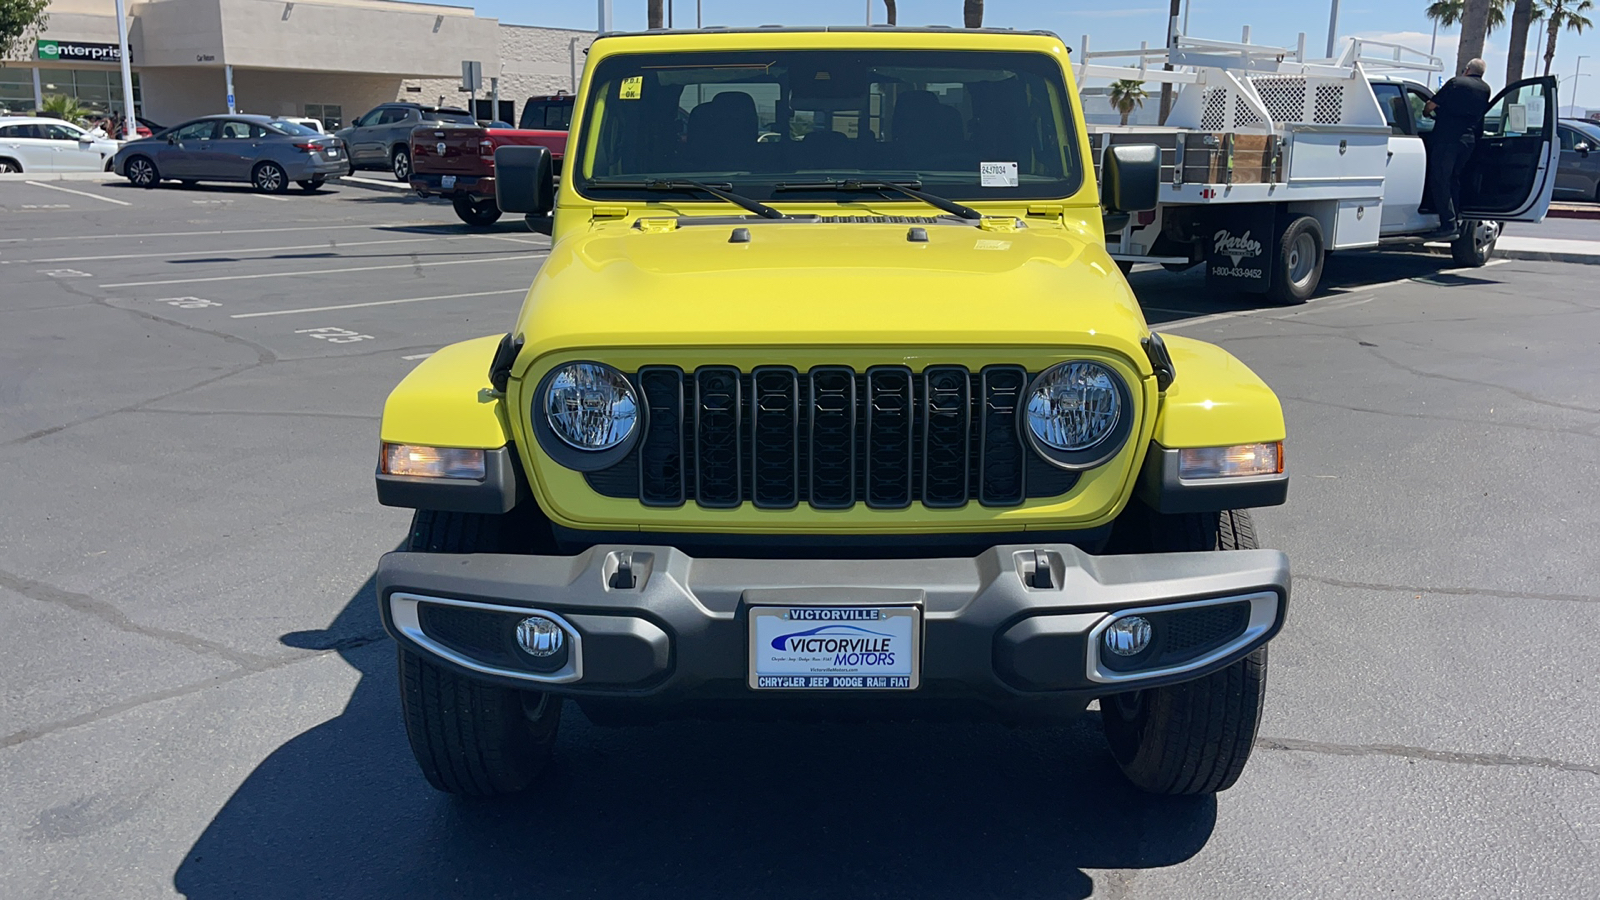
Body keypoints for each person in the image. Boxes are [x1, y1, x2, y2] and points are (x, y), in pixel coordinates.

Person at [1423, 58, 1492, 237]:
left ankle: (1448, 224)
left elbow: (1431, 105)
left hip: (1447, 139)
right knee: (1453, 179)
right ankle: (1456, 218)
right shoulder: (1485, 89)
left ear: (1467, 69)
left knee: (1439, 180)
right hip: (1468, 141)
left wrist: (1426, 111)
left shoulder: (1455, 83)